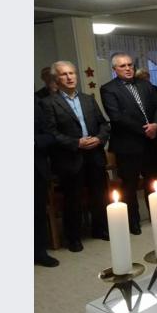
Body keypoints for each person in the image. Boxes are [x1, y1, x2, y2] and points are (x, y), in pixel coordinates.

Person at [42, 60, 110, 252]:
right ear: (56, 78)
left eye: (72, 73)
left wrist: (98, 138)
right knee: (73, 199)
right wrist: (76, 143)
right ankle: (73, 237)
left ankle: (100, 229)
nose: (70, 77)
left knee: (99, 194)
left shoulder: (88, 99)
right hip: (71, 158)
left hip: (94, 154)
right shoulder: (48, 103)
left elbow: (104, 124)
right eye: (64, 74)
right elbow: (51, 132)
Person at [101, 53, 157, 235]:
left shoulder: (145, 85)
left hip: (151, 143)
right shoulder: (108, 89)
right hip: (128, 145)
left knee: (153, 181)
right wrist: (146, 130)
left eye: (130, 65)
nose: (128, 68)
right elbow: (117, 117)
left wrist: (156, 125)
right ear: (115, 69)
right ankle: (133, 221)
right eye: (123, 66)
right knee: (130, 185)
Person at [34, 97, 59, 267]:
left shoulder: (35, 103)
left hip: (36, 167)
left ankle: (39, 252)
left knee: (37, 212)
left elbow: (50, 135)